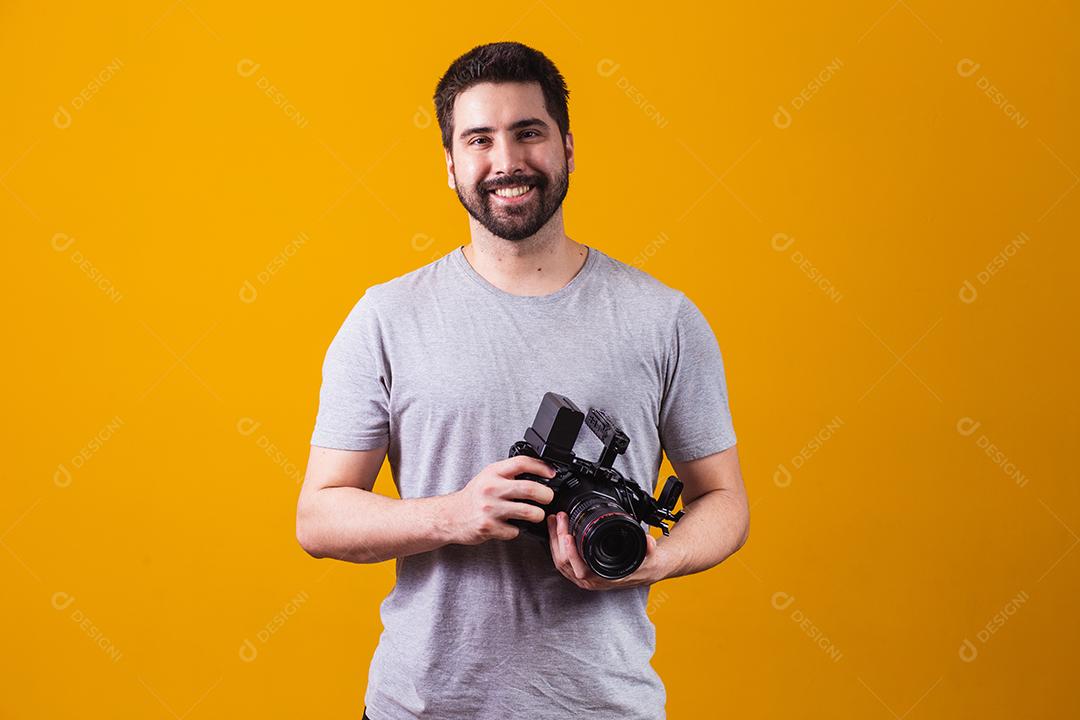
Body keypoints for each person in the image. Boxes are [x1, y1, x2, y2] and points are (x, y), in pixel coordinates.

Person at [296, 41, 750, 720]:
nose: (507, 161)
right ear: (450, 165)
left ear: (567, 146)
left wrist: (657, 557)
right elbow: (319, 515)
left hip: (604, 706)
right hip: (421, 706)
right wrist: (454, 514)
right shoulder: (385, 317)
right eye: (479, 139)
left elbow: (724, 501)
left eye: (528, 132)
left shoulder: (664, 318)